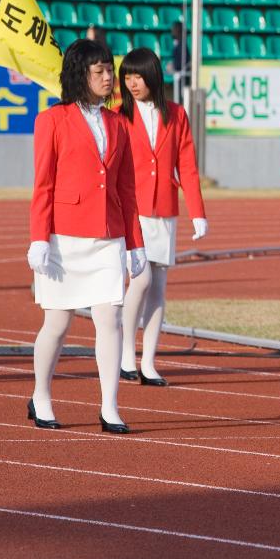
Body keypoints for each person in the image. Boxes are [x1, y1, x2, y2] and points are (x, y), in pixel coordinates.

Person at [26, 39, 146, 434]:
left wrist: (135, 243)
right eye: (100, 71)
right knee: (57, 325)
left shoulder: (118, 124)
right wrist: (39, 238)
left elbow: (127, 189)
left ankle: (109, 406)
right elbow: (42, 184)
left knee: (110, 319)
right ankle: (41, 395)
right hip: (63, 238)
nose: (110, 77)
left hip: (107, 236)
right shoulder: (52, 120)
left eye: (110, 70)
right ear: (81, 75)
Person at [118, 47, 207, 387]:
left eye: (137, 76)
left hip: (165, 210)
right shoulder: (119, 115)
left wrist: (197, 212)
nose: (132, 83)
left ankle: (149, 361)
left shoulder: (176, 114)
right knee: (139, 281)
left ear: (153, 75)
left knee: (158, 289)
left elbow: (187, 165)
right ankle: (126, 354)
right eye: (127, 77)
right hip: (133, 209)